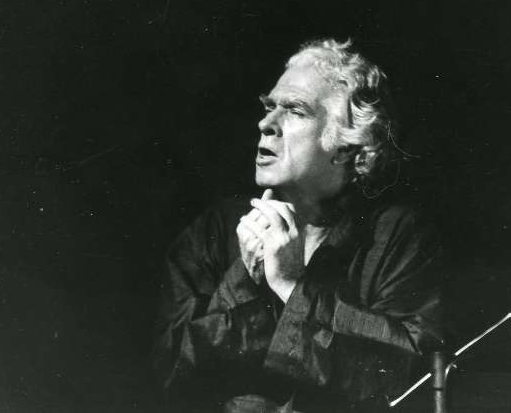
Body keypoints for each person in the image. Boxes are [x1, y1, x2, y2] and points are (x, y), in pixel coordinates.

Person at [153, 38, 445, 413]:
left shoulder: (397, 234)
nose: (265, 124)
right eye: (269, 107)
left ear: (346, 148)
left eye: (295, 110)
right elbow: (169, 376)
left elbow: (409, 379)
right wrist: (243, 279)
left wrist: (291, 285)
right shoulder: (215, 228)